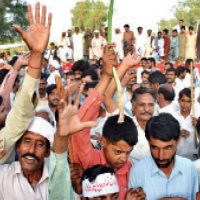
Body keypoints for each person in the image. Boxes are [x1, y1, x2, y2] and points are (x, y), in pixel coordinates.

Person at [71, 47, 141, 200]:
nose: (123, 159)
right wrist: (107, 76)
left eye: (128, 153)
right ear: (103, 142)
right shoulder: (88, 159)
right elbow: (81, 125)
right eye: (118, 152)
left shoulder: (129, 169)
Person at [129, 113, 199, 200]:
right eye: (155, 147)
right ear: (148, 143)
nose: (161, 156)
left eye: (167, 148)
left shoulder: (189, 168)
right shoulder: (137, 171)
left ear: (177, 142)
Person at [129, 87, 155, 164]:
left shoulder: (161, 126)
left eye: (150, 105)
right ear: (133, 107)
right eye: (142, 105)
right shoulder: (125, 127)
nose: (147, 109)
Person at [175, 88, 199, 160]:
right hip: (176, 157)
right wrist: (178, 133)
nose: (185, 104)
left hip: (193, 158)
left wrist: (198, 127)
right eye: (183, 100)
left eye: (188, 101)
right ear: (178, 101)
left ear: (193, 102)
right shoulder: (173, 117)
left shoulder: (197, 118)